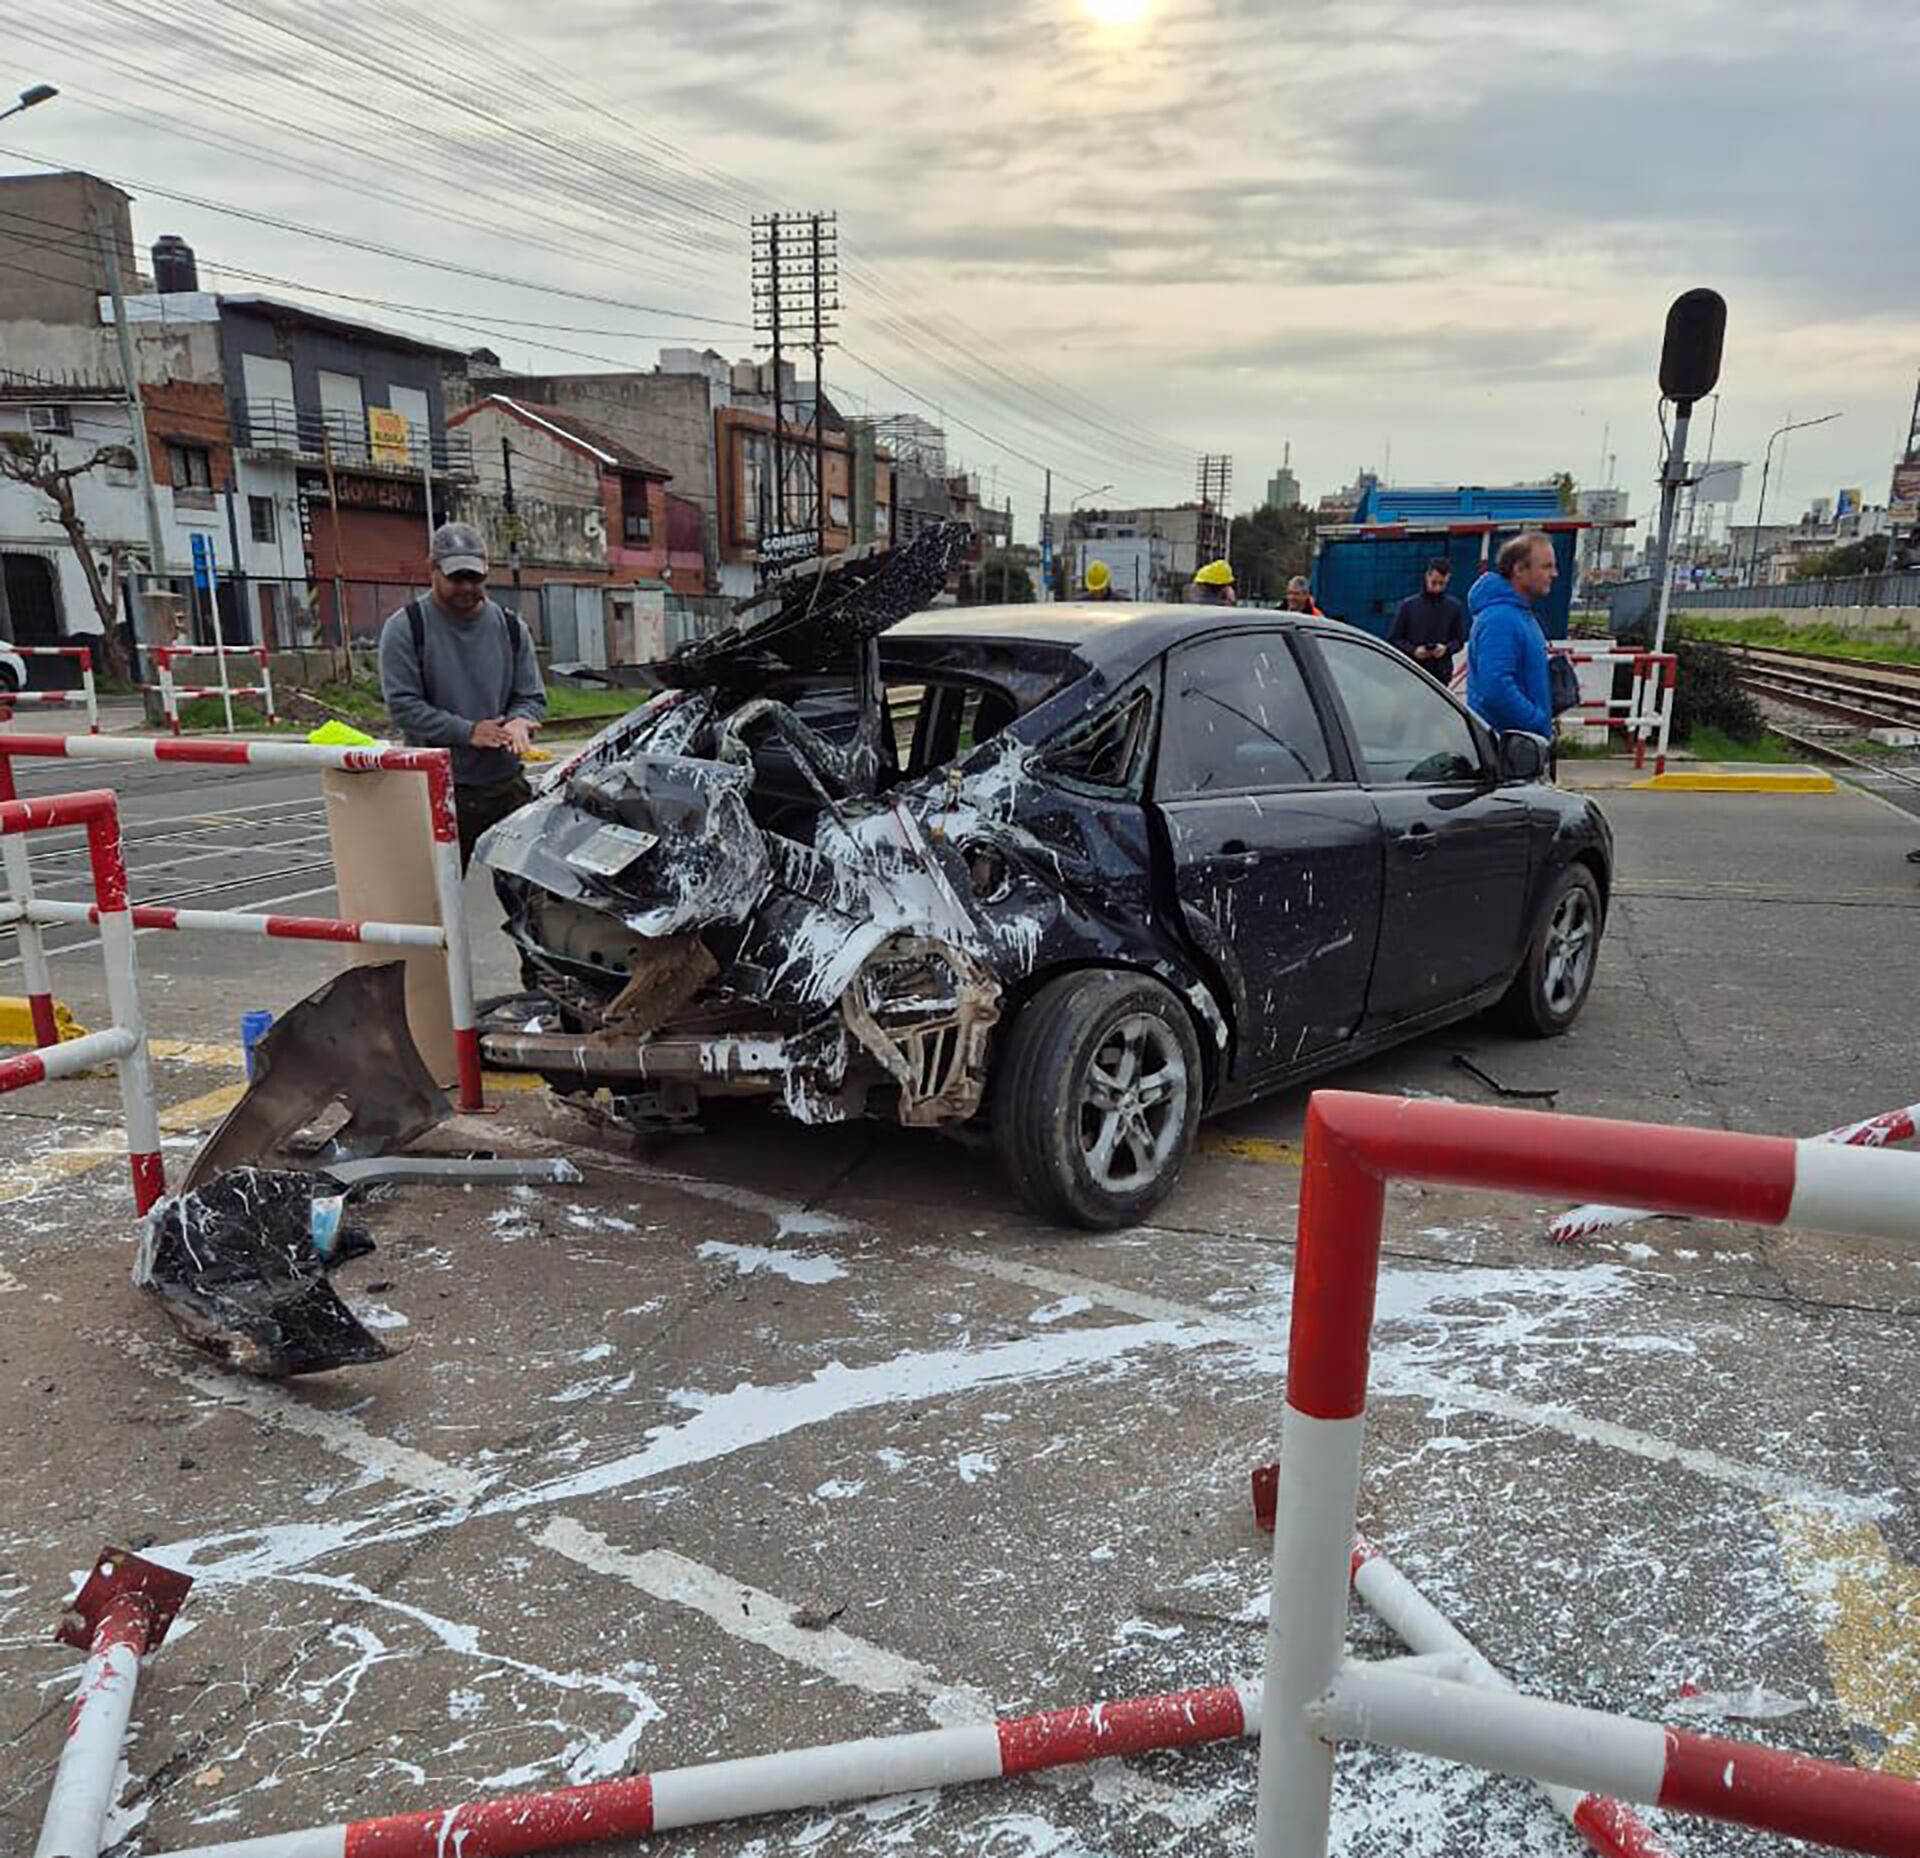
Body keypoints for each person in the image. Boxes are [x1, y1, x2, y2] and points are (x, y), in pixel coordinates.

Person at [379, 522, 547, 869]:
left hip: (505, 786)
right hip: (439, 789)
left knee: (534, 898)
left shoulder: (512, 627)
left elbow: (531, 695)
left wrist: (519, 720)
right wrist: (469, 731)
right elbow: (404, 706)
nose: (468, 588)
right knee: (435, 904)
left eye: (476, 577)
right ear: (432, 570)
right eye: (457, 578)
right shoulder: (406, 628)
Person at [1466, 532, 1555, 738]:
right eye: (1546, 566)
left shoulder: (1519, 614)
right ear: (1519, 570)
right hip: (1508, 751)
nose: (1554, 573)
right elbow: (1496, 689)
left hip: (1521, 747)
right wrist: (1538, 721)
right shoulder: (1500, 619)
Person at [1389, 557, 1468, 685]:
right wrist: (1413, 650)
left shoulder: (1454, 607)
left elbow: (1459, 640)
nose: (1437, 588)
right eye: (1434, 582)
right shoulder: (1408, 606)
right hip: (1412, 672)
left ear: (1448, 579)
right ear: (1427, 576)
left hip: (1441, 675)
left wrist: (1446, 649)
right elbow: (1394, 638)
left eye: (1442, 584)